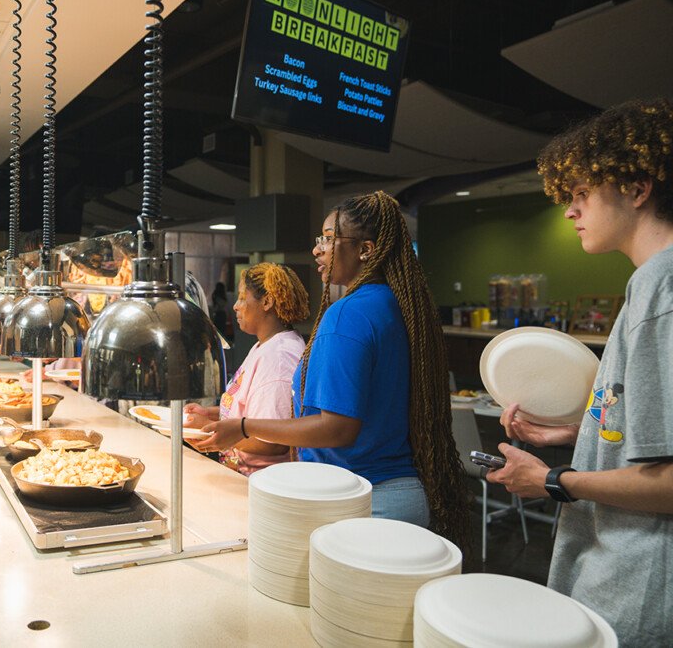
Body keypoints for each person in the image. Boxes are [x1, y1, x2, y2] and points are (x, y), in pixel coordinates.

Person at [485, 98, 673, 645]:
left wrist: (549, 479)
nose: (569, 210)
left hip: (639, 587)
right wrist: (577, 435)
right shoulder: (650, 283)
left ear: (637, 189)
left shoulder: (660, 288)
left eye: (581, 194)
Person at [196, 192, 469, 547]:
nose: (317, 249)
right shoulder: (395, 304)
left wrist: (243, 427)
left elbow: (337, 428)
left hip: (369, 502)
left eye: (328, 238)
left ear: (366, 249)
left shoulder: (348, 314)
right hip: (400, 493)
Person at [185, 263, 309, 475]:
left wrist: (207, 431)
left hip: (262, 481)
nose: (235, 306)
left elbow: (274, 442)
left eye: (243, 297)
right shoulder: (265, 345)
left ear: (267, 302)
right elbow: (250, 412)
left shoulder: (278, 357)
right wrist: (211, 415)